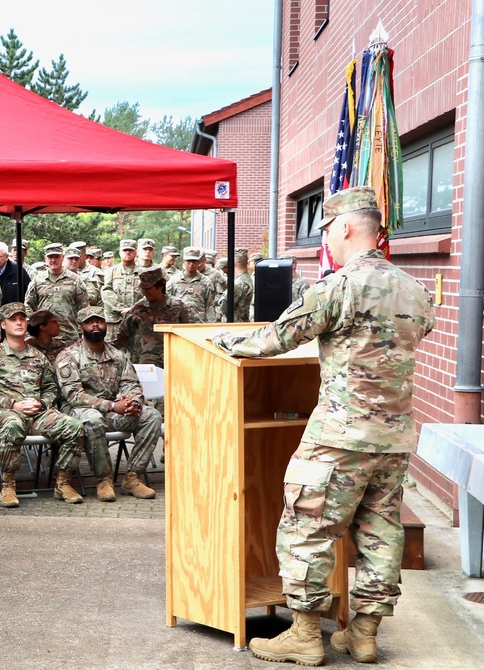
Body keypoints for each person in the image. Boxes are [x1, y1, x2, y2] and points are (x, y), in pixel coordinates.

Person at [211, 186, 436, 666]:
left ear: (347, 227)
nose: (326, 242)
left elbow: (275, 338)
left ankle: (306, 634)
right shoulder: (416, 290)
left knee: (306, 526)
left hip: (340, 437)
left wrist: (225, 341)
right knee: (380, 531)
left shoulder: (338, 287)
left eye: (328, 231)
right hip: (393, 439)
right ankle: (364, 634)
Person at [0, 302, 85, 508]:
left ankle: (63, 483)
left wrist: (41, 403)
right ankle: (8, 486)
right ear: (3, 325)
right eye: (13, 319)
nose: (19, 323)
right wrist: (14, 404)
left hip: (38, 414)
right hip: (7, 414)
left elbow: (51, 388)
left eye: (22, 319)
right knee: (13, 424)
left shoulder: (38, 356)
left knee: (74, 427)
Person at [56, 306, 160, 501]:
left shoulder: (117, 355)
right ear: (81, 327)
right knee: (94, 419)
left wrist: (133, 402)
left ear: (106, 325)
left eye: (99, 321)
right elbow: (74, 395)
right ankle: (104, 480)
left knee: (151, 416)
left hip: (113, 411)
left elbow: (131, 383)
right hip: (80, 411)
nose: (95, 325)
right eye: (89, 322)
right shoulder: (69, 356)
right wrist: (112, 406)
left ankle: (132, 478)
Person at [115, 267, 195, 368]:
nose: (145, 292)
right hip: (149, 360)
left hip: (176, 357)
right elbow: (122, 337)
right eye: (143, 289)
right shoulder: (138, 309)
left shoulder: (179, 306)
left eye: (148, 288)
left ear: (160, 286)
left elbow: (190, 333)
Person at [24, 243, 88, 348]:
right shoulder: (37, 281)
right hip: (43, 337)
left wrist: (84, 331)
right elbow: (28, 306)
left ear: (62, 257)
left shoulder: (75, 280)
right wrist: (31, 330)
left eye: (56, 256)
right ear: (45, 259)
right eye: (50, 257)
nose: (53, 260)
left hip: (69, 336)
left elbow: (84, 308)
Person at [102, 239, 142, 340]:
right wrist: (121, 308)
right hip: (115, 321)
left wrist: (133, 310)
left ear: (136, 252)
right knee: (113, 348)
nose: (127, 252)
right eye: (125, 250)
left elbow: (149, 295)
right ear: (120, 252)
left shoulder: (143, 273)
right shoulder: (110, 272)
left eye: (130, 250)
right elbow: (106, 292)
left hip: (137, 321)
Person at [166, 247, 214, 323]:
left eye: (194, 261)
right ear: (183, 262)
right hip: (178, 324)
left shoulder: (206, 282)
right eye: (189, 261)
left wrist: (211, 324)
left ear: (199, 263)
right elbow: (167, 303)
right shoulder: (173, 281)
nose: (191, 264)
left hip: (199, 324)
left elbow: (209, 306)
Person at [216, 249, 254, 323]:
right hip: (241, 322)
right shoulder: (246, 278)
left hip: (234, 324)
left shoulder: (238, 283)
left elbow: (224, 308)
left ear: (233, 262)